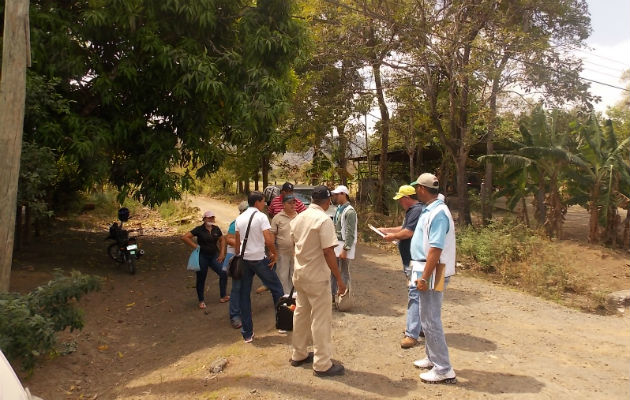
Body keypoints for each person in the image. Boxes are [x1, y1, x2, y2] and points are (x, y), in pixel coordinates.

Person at [289, 185, 347, 377]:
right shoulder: (323, 220)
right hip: (316, 277)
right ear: (327, 201)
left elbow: (294, 244)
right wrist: (339, 279)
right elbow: (329, 251)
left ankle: (298, 353)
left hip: (300, 274)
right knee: (321, 319)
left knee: (301, 314)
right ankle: (322, 364)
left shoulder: (298, 218)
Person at [409, 173, 457, 384]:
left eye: (416, 188)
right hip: (423, 267)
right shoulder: (432, 209)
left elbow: (435, 249)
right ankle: (432, 357)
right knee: (425, 314)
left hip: (431, 270)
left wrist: (425, 277)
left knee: (430, 318)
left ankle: (443, 368)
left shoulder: (437, 213)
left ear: (421, 189)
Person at [377, 185, 425, 349]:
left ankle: (412, 333)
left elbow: (408, 233)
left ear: (407, 198)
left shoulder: (416, 210)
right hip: (412, 260)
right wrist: (388, 230)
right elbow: (405, 228)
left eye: (400, 200)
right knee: (420, 294)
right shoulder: (413, 211)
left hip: (415, 260)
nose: (400, 203)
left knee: (415, 294)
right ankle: (420, 327)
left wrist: (392, 237)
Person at [234, 191, 285, 343]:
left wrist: (241, 253)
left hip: (244, 260)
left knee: (244, 295)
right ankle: (282, 323)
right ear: (257, 202)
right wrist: (274, 254)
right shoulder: (261, 217)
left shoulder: (239, 218)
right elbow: (268, 240)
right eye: (263, 202)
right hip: (258, 259)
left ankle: (247, 334)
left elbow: (237, 245)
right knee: (277, 289)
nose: (265, 204)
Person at [181, 211, 228, 309]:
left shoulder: (216, 229)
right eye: (209, 218)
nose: (211, 219)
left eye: (212, 218)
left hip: (214, 255)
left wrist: (222, 253)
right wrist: (195, 246)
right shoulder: (199, 229)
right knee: (201, 278)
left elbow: (222, 239)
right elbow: (185, 237)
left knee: (223, 272)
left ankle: (223, 296)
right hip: (202, 256)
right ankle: (201, 300)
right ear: (204, 219)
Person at [330, 185, 357, 303]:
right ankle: (333, 296)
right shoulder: (339, 208)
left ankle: (344, 298)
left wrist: (346, 249)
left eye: (337, 194)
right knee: (334, 270)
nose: (334, 197)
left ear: (343, 194)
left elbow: (350, 232)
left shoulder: (350, 211)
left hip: (343, 245)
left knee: (344, 272)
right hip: (337, 244)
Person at [225, 200, 249, 329]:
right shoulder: (236, 223)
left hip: (251, 259)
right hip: (239, 260)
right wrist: (241, 245)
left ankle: (244, 311)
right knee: (237, 287)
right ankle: (234, 315)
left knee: (246, 286)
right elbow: (228, 238)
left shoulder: (254, 221)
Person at [270, 195, 297, 295]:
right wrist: (272, 251)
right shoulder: (277, 218)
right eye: (289, 203)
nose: (292, 205)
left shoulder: (299, 217)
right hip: (282, 251)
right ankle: (284, 297)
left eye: (294, 203)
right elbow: (272, 234)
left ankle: (294, 296)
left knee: (295, 275)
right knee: (282, 274)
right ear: (283, 204)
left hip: (296, 251)